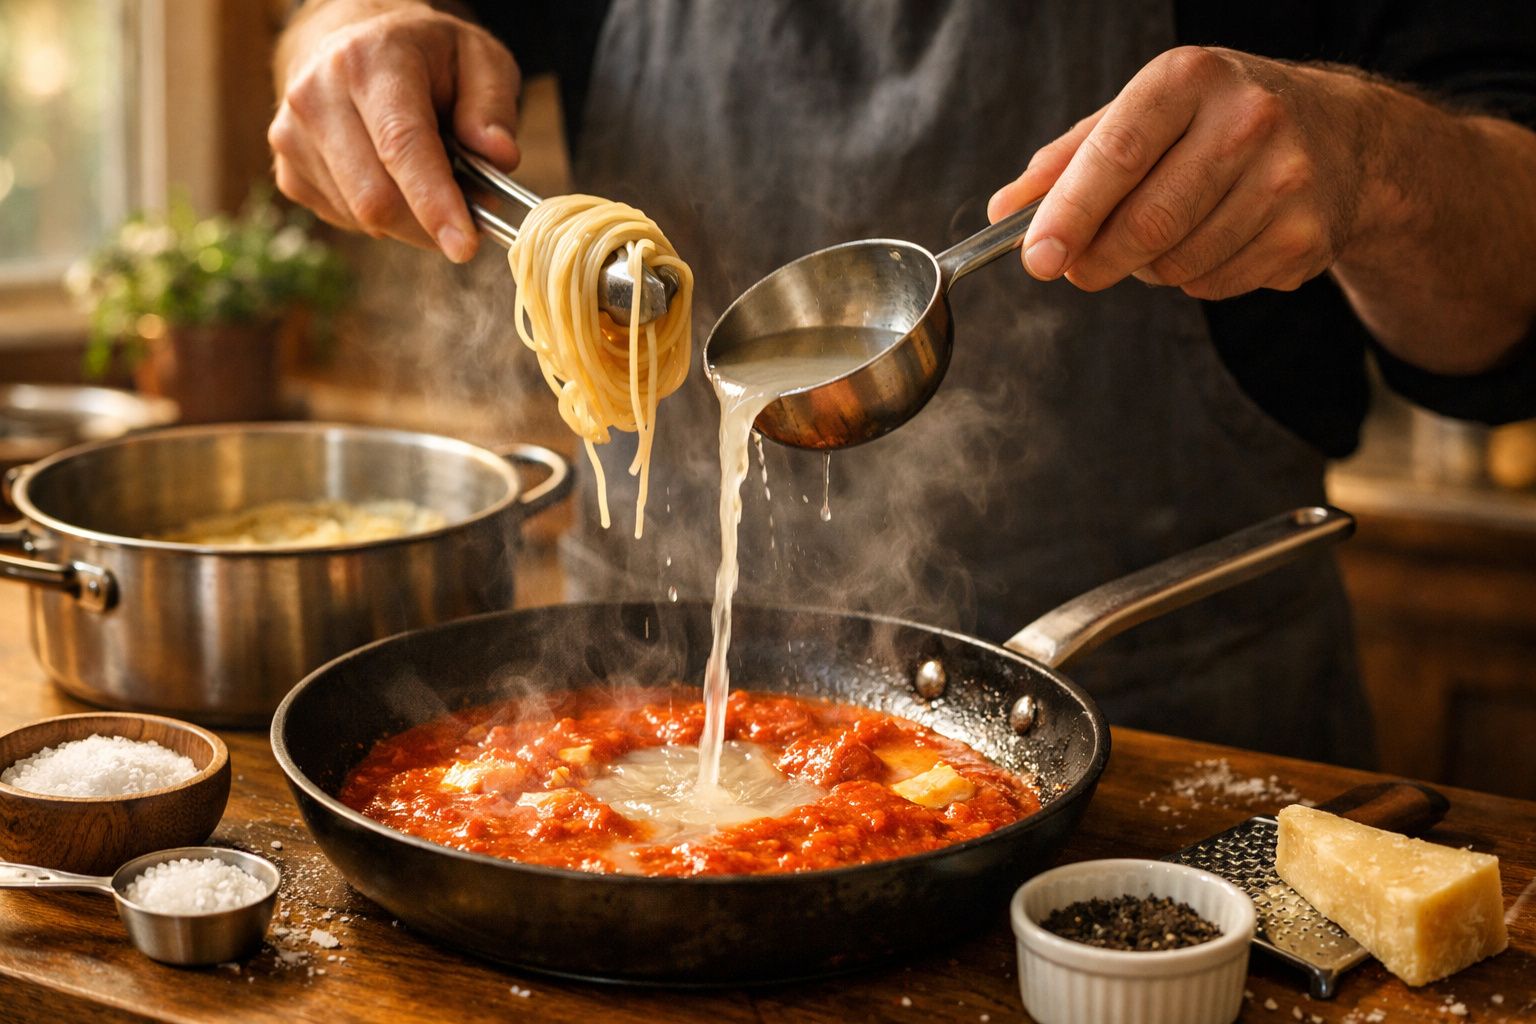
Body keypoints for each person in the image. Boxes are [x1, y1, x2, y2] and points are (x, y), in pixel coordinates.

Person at [270, 1, 1536, 766]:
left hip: (1185, 730)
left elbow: (1509, 285)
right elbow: (360, 23)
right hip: (630, 689)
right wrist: (340, 39)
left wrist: (1373, 161)